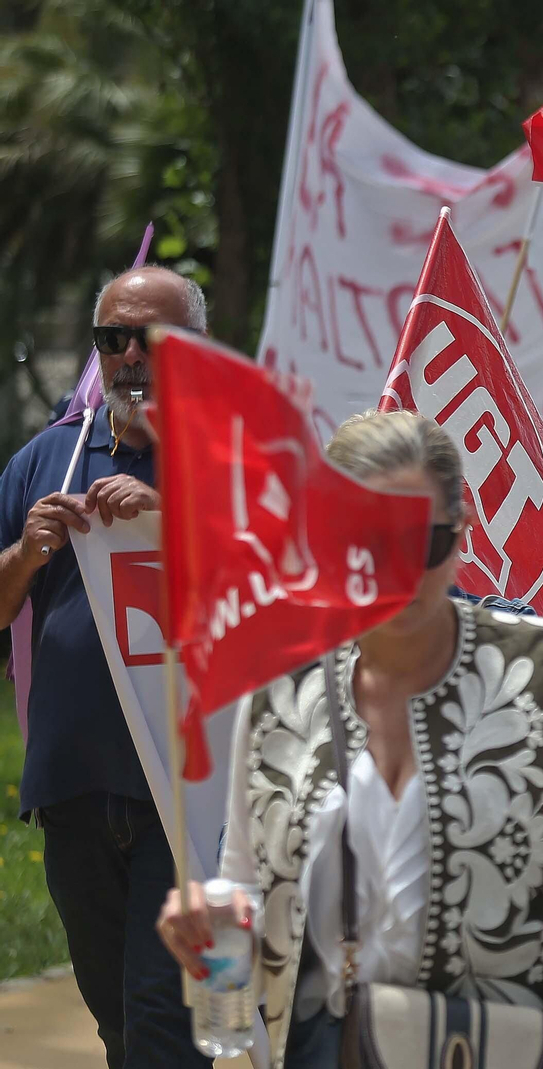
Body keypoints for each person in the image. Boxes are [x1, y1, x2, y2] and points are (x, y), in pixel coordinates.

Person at [156, 411, 543, 1069]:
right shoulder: (280, 689)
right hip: (334, 1050)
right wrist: (207, 920)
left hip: (521, 1053)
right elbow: (247, 885)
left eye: (422, 541)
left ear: (463, 526)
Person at [0, 266, 210, 1069]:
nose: (129, 355)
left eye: (150, 338)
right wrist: (25, 553)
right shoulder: (48, 460)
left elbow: (280, 577)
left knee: (165, 1018)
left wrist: (170, 514)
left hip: (190, 793)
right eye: (111, 339)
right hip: (75, 786)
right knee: (119, 1015)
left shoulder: (231, 455)